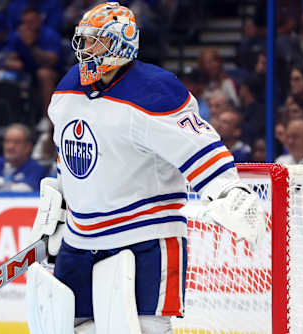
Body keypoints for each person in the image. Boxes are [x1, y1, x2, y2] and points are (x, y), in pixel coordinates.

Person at [25, 3, 266, 334]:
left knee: (143, 329)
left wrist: (227, 189)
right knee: (68, 327)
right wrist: (62, 204)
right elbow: (68, 152)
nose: (85, 49)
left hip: (145, 238)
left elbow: (197, 145)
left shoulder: (154, 90)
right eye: (84, 39)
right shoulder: (69, 86)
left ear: (121, 43)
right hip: (80, 239)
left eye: (96, 41)